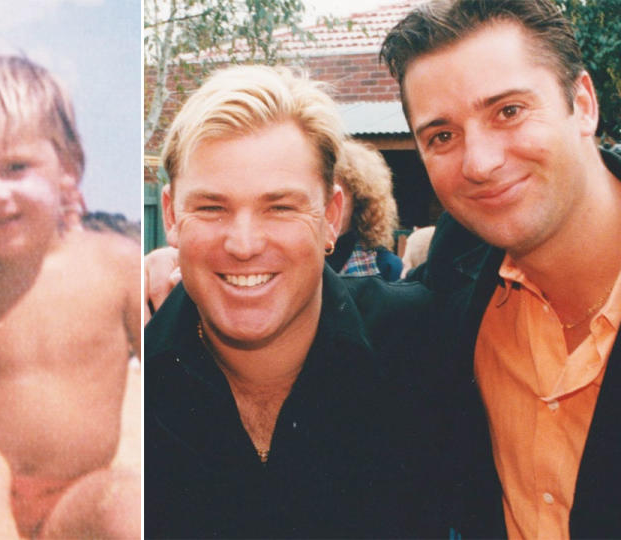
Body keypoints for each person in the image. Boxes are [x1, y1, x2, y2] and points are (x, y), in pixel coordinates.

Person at [145, 64, 439, 538]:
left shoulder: (425, 346)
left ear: (331, 216)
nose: (243, 243)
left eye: (280, 207)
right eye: (211, 207)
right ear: (172, 216)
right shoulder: (124, 385)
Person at [380, 0, 621, 536]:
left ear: (582, 103)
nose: (480, 163)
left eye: (508, 111)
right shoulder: (455, 267)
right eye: (442, 136)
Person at [0, 55, 142, 539]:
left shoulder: (116, 267)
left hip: (77, 494)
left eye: (16, 167)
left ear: (68, 167)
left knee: (128, 501)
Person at [326, 138, 403, 280]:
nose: (326, 207)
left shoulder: (384, 267)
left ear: (359, 201)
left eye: (335, 197)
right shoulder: (293, 262)